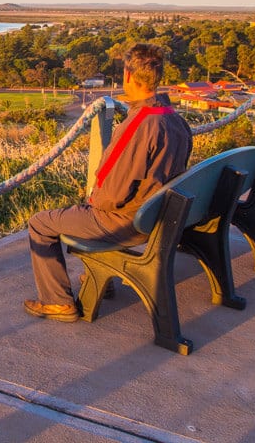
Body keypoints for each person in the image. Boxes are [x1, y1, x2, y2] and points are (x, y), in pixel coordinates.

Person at [24, 43, 193, 322]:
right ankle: (100, 273)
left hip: (127, 221)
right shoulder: (175, 120)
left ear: (128, 76)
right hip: (157, 215)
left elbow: (109, 196)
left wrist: (91, 203)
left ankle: (57, 302)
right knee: (76, 213)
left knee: (42, 223)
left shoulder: (139, 124)